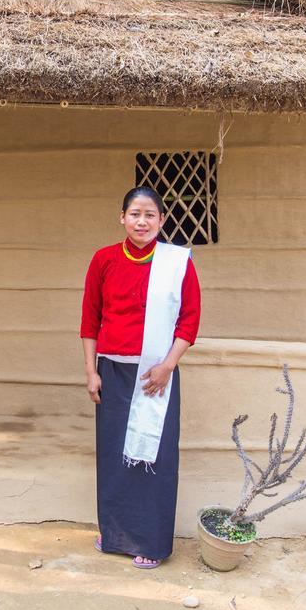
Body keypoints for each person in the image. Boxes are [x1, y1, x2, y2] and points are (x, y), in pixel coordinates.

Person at [80, 186, 201, 568]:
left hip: (156, 374)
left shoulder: (177, 263)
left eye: (150, 214)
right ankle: (115, 534)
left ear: (161, 220)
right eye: (135, 213)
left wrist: (168, 365)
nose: (142, 221)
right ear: (122, 217)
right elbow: (90, 319)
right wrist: (91, 371)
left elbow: (189, 320)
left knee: (155, 458)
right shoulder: (104, 260)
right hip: (112, 372)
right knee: (115, 456)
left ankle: (150, 541)